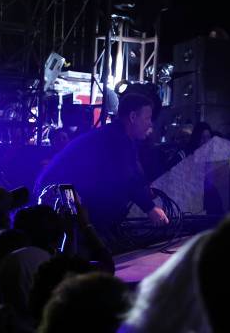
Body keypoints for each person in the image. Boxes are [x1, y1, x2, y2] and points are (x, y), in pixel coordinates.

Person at [34, 93, 169, 247]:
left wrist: (145, 190)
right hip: (58, 190)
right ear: (133, 117)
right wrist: (150, 208)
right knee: (81, 237)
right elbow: (125, 177)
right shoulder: (114, 139)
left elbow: (133, 172)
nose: (150, 124)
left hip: (64, 189)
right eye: (147, 118)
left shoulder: (121, 137)